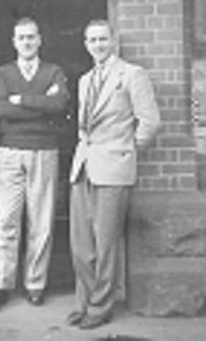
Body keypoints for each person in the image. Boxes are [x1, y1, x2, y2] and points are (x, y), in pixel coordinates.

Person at [67, 19, 160, 330]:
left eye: (103, 39)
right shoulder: (84, 80)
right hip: (84, 166)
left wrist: (126, 151)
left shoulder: (132, 74)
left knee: (105, 243)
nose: (98, 45)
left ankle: (100, 306)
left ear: (114, 41)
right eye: (92, 40)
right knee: (82, 244)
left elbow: (150, 121)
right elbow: (84, 126)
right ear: (85, 43)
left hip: (114, 168)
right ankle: (85, 301)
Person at [0, 17, 69, 314]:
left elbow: (59, 106)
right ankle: (1, 286)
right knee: (7, 220)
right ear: (13, 41)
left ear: (40, 40)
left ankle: (35, 284)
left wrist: (20, 100)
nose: (27, 42)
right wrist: (40, 102)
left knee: (41, 222)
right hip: (9, 153)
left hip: (44, 151)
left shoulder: (53, 71)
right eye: (21, 37)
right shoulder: (3, 73)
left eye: (31, 37)